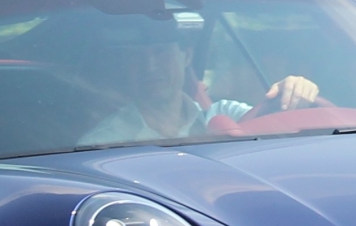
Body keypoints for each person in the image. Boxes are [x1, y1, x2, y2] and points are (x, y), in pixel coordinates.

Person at [80, 23, 322, 145]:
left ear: (186, 56)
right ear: (124, 67)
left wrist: (293, 92)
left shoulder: (225, 113)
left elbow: (271, 126)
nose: (150, 66)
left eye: (161, 52)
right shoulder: (104, 143)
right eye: (136, 57)